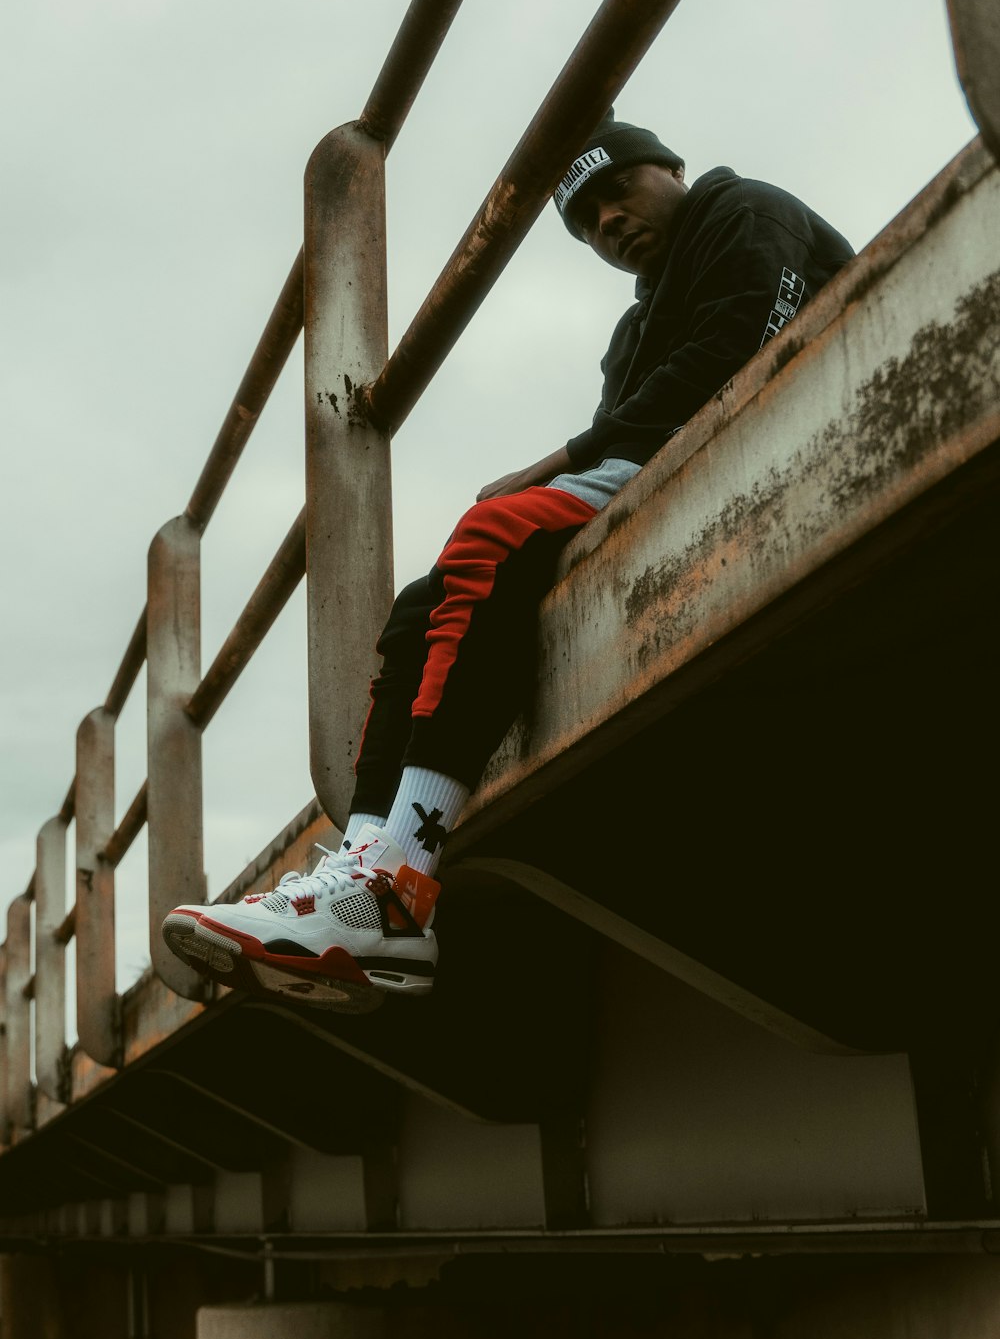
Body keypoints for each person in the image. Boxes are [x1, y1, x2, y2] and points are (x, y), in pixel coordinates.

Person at [163, 110, 854, 1010]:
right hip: (660, 466)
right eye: (585, 220)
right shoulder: (629, 334)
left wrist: (551, 462)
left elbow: (728, 359)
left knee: (490, 533)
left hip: (777, 429)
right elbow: (633, 425)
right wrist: (567, 466)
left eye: (618, 190)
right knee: (420, 605)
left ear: (671, 166)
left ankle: (397, 890)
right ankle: (362, 873)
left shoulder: (743, 212)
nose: (608, 221)